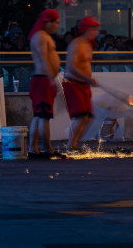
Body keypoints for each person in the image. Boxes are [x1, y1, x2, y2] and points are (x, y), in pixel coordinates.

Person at [62, 17, 101, 151]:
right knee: (81, 116)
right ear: (87, 30)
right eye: (94, 29)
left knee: (88, 117)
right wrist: (87, 78)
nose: (96, 32)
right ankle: (70, 145)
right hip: (73, 83)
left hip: (84, 84)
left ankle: (74, 144)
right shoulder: (76, 44)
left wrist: (88, 79)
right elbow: (71, 67)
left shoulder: (89, 44)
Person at [27, 9, 62, 158]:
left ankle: (33, 149)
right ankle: (48, 150)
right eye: (55, 22)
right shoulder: (40, 37)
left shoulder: (42, 36)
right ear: (47, 22)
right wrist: (51, 79)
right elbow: (43, 58)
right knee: (43, 117)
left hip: (42, 79)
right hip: (43, 79)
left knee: (38, 116)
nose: (57, 26)